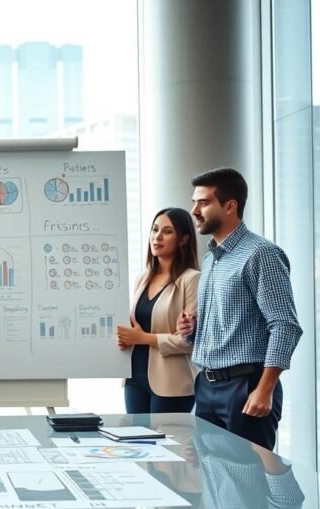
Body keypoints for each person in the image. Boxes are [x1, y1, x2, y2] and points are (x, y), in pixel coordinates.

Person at [177, 168, 302, 450]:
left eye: (203, 202)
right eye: (194, 202)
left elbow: (285, 325)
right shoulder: (211, 260)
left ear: (230, 206)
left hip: (245, 388)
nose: (194, 210)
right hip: (207, 386)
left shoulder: (261, 254)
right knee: (216, 482)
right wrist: (192, 331)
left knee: (249, 485)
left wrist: (264, 389)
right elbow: (227, 325)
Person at [116, 207, 200, 414]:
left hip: (172, 382)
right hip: (134, 378)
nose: (157, 237)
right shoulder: (142, 279)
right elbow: (135, 327)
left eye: (168, 231)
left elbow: (190, 342)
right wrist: (126, 337)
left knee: (169, 444)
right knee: (138, 443)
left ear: (183, 239)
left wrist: (143, 338)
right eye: (155, 230)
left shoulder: (192, 279)